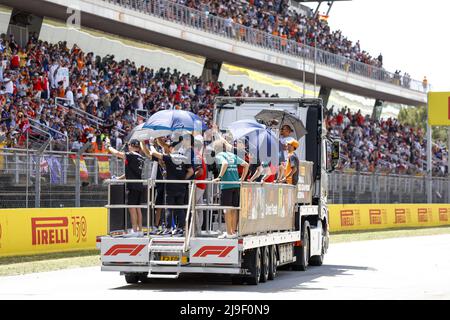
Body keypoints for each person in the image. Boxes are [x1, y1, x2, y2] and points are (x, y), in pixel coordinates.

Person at [141, 137, 193, 236]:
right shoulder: (185, 158)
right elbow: (191, 171)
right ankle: (181, 229)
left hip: (170, 187)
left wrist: (152, 144)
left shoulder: (170, 157)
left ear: (172, 148)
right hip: (181, 187)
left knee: (169, 208)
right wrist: (182, 180)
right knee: (180, 208)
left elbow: (154, 154)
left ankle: (168, 229)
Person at [106, 138, 145, 237]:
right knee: (138, 208)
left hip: (132, 185)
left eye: (129, 146)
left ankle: (134, 231)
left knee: (132, 208)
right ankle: (140, 230)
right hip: (139, 184)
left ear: (131, 146)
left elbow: (118, 153)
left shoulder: (131, 155)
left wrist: (109, 146)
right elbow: (130, 172)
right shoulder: (141, 157)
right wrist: (119, 178)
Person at [212, 139, 249, 239]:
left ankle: (228, 233)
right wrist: (242, 179)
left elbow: (225, 164)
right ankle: (233, 232)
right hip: (236, 185)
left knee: (227, 210)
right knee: (234, 209)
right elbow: (246, 164)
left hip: (226, 185)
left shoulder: (219, 155)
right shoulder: (232, 155)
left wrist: (219, 177)